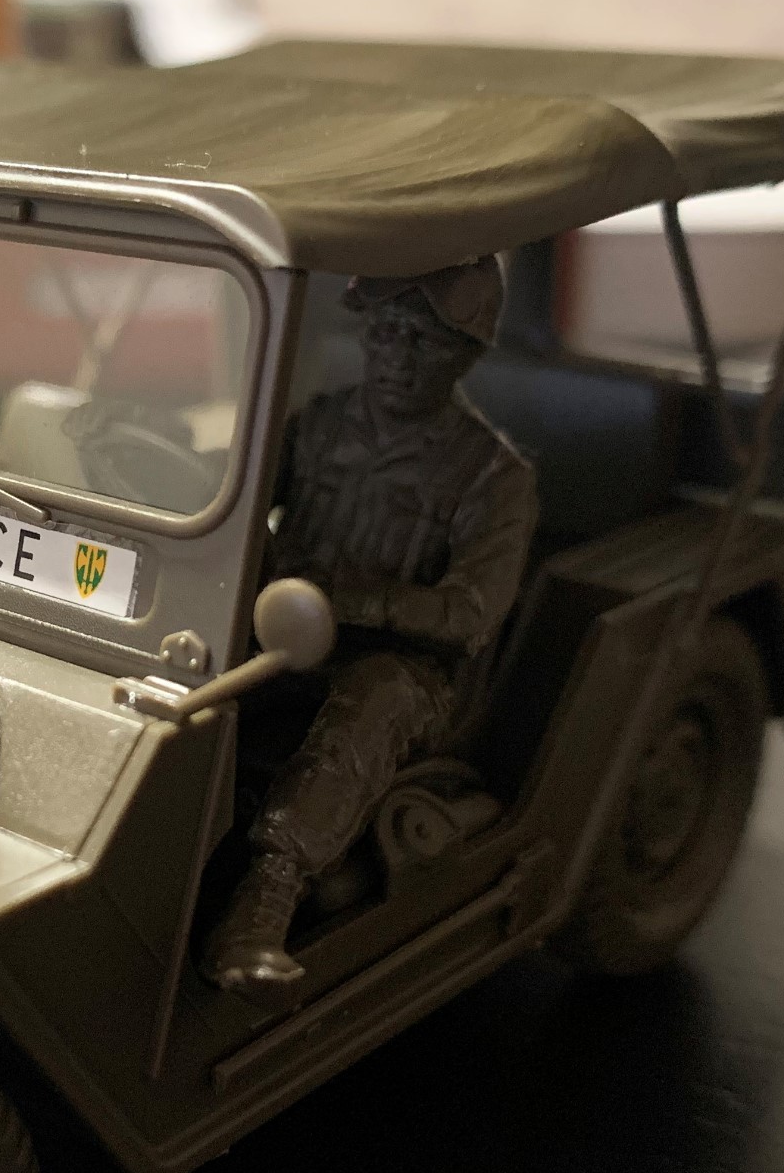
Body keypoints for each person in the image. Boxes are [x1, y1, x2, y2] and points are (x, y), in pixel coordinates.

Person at [204, 260, 537, 1005]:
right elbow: (235, 504)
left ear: (466, 354)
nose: (397, 355)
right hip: (282, 638)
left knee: (376, 696)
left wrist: (348, 600)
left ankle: (263, 906)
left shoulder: (494, 476)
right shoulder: (319, 426)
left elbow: (470, 615)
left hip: (408, 672)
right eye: (385, 332)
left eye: (423, 339)